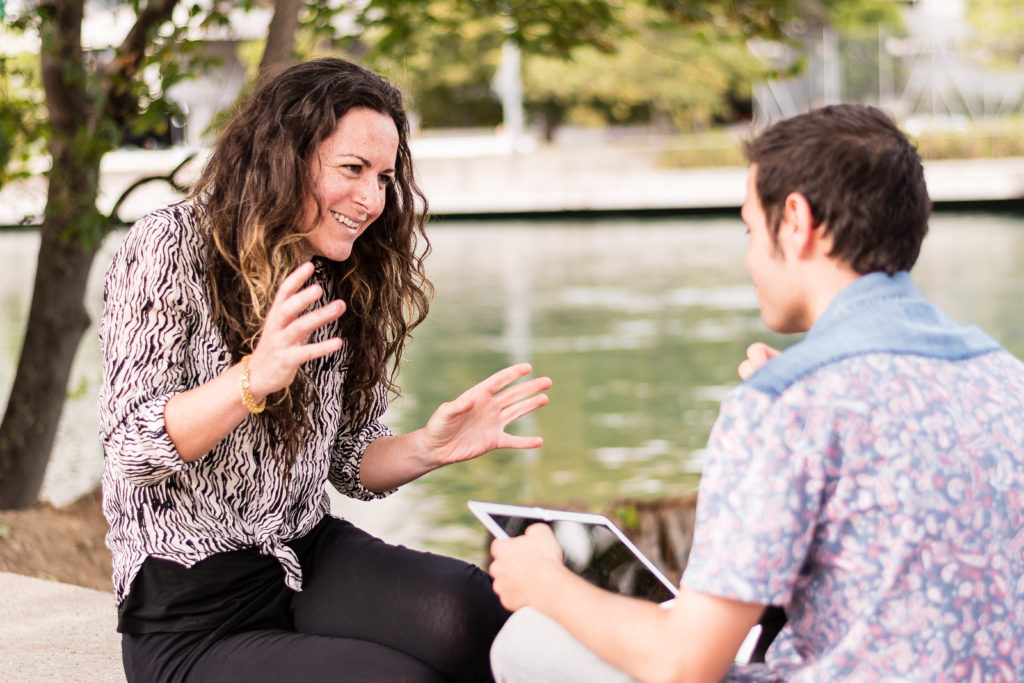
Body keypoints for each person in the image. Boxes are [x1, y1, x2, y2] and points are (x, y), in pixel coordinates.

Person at [486, 103, 1024, 682]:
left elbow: (683, 664)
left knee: (526, 639)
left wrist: (546, 583)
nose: (748, 258)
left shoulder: (786, 404)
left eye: (749, 229)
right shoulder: (1005, 376)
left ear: (795, 221)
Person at [99, 57, 551, 683]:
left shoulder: (340, 268)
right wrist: (253, 378)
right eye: (352, 169)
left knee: (482, 614)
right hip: (191, 607)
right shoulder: (168, 245)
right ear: (284, 157)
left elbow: (347, 460)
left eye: (384, 177)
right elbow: (130, 449)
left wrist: (427, 447)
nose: (372, 199)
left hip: (305, 557)